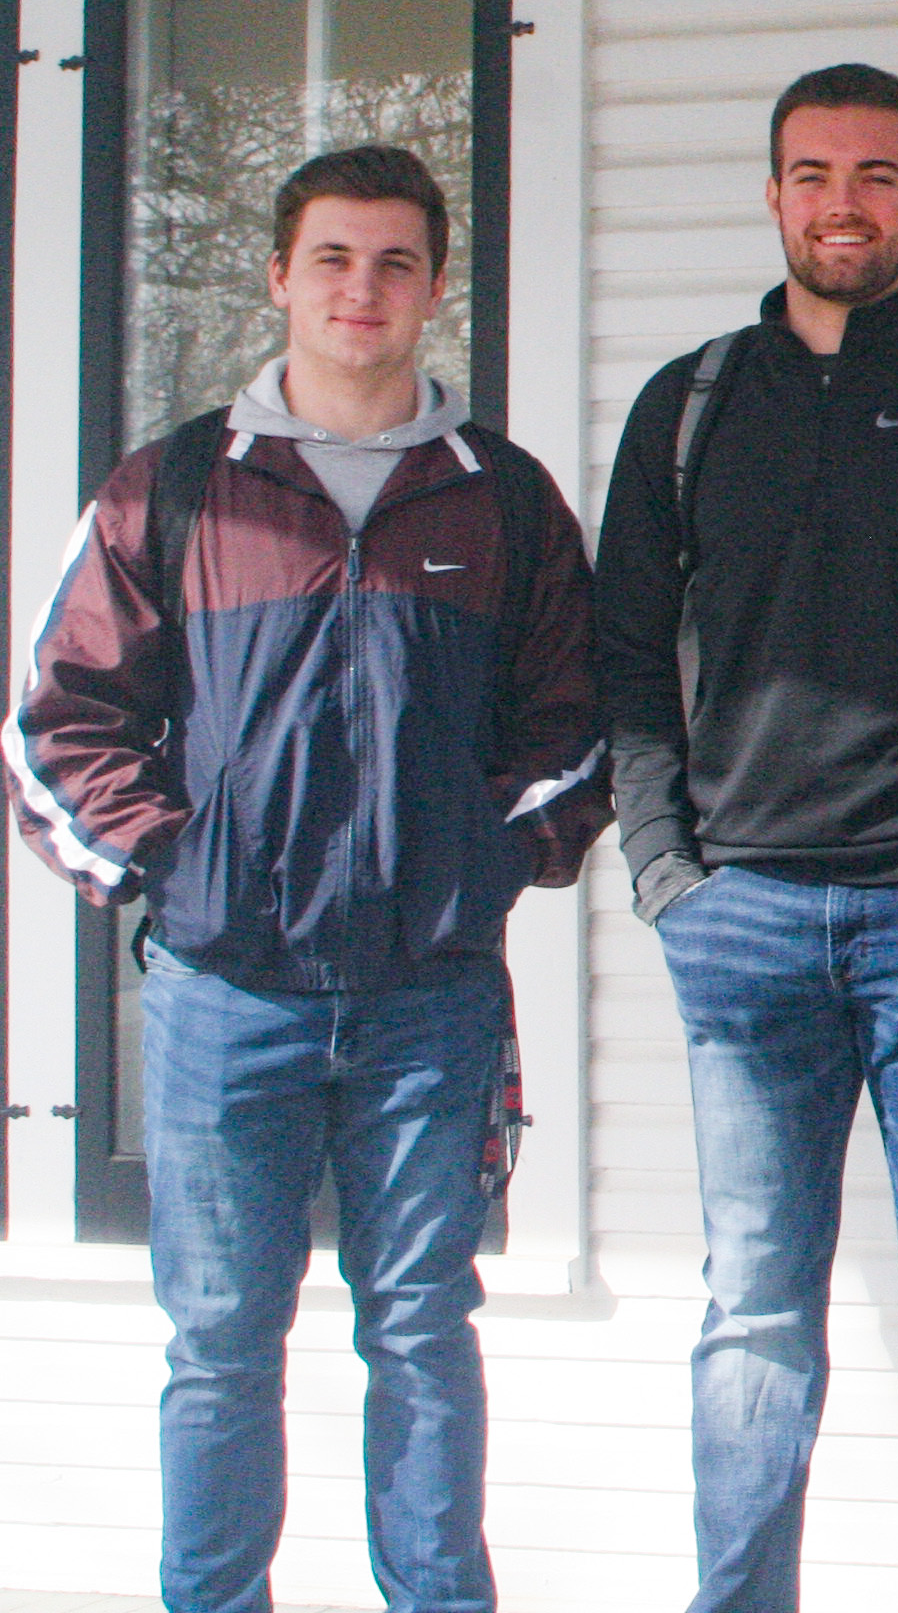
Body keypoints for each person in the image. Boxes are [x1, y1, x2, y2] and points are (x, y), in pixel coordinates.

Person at [12, 144, 607, 1613]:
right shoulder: (182, 488)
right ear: (278, 275)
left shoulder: (504, 502)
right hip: (228, 1000)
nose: (364, 288)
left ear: (434, 288)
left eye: (397, 261)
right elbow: (60, 723)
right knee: (220, 1338)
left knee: (417, 1329)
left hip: (430, 1003)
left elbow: (577, 735)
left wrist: (476, 868)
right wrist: (178, 869)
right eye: (334, 258)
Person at [596, 63, 898, 1613]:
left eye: (877, 176)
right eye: (814, 174)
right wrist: (670, 868)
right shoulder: (690, 406)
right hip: (742, 925)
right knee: (753, 1317)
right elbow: (625, 659)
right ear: (772, 194)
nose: (843, 204)